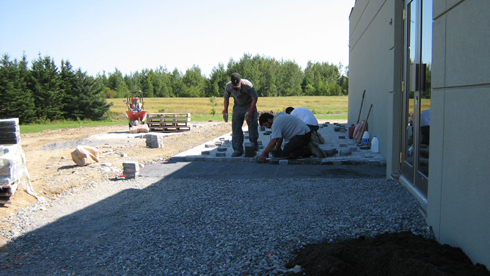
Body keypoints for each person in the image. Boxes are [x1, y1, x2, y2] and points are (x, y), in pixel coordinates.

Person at [256, 112, 326, 163]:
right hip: (304, 133)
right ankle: (306, 145)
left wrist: (264, 154)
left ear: (269, 120)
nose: (267, 127)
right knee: (287, 149)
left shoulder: (276, 124)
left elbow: (274, 140)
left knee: (286, 154)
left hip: (302, 136)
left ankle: (309, 150)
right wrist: (278, 148)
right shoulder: (278, 116)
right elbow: (280, 137)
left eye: (266, 125)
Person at [223, 73, 258, 157]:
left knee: (252, 126)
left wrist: (251, 110)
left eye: (237, 86)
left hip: (249, 105)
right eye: (234, 86)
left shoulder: (248, 85)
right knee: (236, 128)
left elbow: (255, 97)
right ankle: (238, 149)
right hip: (238, 107)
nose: (236, 88)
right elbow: (226, 98)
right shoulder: (228, 86)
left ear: (240, 81)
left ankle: (253, 147)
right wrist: (225, 110)